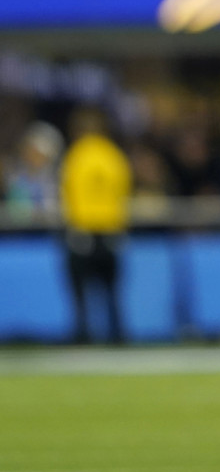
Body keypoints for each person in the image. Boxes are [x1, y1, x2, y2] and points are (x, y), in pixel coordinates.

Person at [59, 107, 132, 345]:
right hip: (111, 229)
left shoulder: (77, 155)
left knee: (80, 291)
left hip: (83, 230)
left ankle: (83, 334)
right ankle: (118, 334)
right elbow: (123, 190)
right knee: (111, 290)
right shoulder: (113, 155)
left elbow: (67, 192)